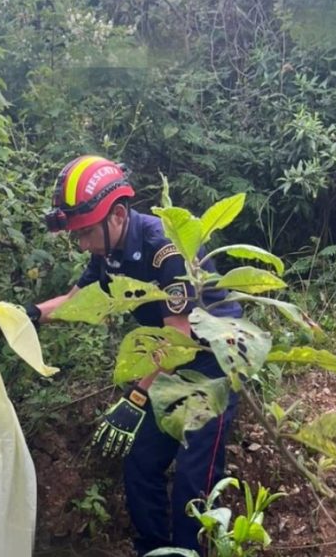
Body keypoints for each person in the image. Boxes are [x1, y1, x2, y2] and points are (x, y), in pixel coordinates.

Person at [26, 155, 241, 556]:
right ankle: (153, 552)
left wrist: (137, 398)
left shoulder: (166, 249)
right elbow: (77, 300)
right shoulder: (106, 250)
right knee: (140, 464)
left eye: (87, 232)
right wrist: (31, 315)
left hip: (212, 361)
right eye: (78, 235)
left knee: (194, 481)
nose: (83, 243)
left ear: (119, 215)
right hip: (168, 363)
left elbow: (177, 338)